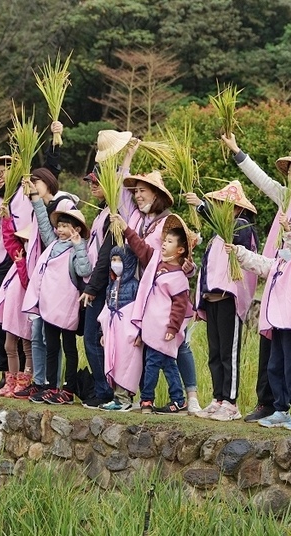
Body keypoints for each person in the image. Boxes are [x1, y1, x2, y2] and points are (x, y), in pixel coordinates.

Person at [220, 132, 291, 423]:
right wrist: (238, 152)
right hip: (277, 286)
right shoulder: (287, 199)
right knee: (276, 357)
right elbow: (261, 179)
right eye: (290, 174)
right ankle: (280, 406)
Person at [121, 167, 202, 414]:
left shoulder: (169, 222)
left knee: (178, 345)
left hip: (167, 294)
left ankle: (189, 395)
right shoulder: (141, 220)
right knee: (153, 349)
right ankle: (161, 396)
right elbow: (144, 251)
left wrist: (187, 269)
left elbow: (184, 257)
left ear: (156, 194)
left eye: (143, 191)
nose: (137, 196)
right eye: (135, 192)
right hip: (149, 291)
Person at [228, 215, 291, 430]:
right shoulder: (279, 264)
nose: (287, 244)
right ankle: (281, 409)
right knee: (275, 366)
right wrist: (238, 252)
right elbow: (258, 263)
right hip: (276, 324)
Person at [186, 182, 260, 422]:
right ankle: (218, 398)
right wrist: (200, 301)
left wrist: (201, 208)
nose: (219, 210)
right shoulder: (216, 237)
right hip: (213, 298)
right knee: (215, 352)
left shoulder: (240, 227)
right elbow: (207, 270)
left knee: (229, 352)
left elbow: (234, 234)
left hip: (229, 298)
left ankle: (231, 401)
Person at [78, 140, 138, 409]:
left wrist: (127, 156)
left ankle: (106, 390)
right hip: (96, 283)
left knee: (94, 338)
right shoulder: (103, 213)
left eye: (97, 182)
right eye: (90, 181)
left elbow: (105, 256)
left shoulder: (116, 212)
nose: (92, 185)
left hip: (105, 285)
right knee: (94, 338)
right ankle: (105, 388)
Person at [21, 201, 92, 406]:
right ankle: (51, 386)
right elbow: (43, 224)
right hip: (49, 305)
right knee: (51, 346)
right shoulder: (53, 245)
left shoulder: (78, 248)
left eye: (65, 226)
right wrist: (35, 200)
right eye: (59, 226)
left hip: (66, 307)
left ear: (76, 229)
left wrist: (79, 246)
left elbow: (84, 270)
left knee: (69, 347)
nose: (60, 230)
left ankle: (68, 390)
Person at [0, 206, 35, 398]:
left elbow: (26, 281)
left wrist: (22, 263)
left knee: (27, 346)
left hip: (24, 310)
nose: (23, 242)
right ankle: (11, 381)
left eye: (27, 239)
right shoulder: (18, 257)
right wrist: (6, 220)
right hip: (12, 309)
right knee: (9, 346)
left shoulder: (30, 261)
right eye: (22, 239)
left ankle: (25, 382)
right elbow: (8, 241)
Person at [98, 246, 142, 412]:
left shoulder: (134, 286)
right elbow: (106, 310)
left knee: (126, 363)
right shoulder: (111, 286)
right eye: (113, 260)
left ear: (129, 262)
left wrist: (140, 332)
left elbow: (139, 311)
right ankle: (117, 397)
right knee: (114, 362)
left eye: (119, 260)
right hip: (113, 332)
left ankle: (125, 398)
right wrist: (103, 332)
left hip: (128, 333)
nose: (115, 264)